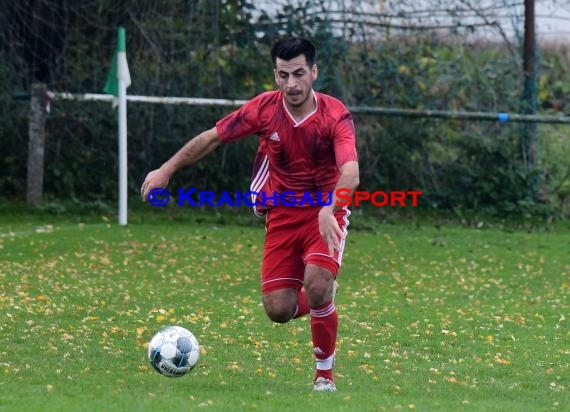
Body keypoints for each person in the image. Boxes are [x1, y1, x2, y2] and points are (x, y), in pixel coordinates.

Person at [140, 37, 359, 392]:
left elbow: (351, 171)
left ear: (314, 72)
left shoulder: (334, 114)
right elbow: (212, 138)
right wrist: (167, 169)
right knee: (278, 309)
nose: (292, 83)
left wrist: (331, 207)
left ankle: (324, 376)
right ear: (275, 75)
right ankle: (322, 296)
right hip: (281, 214)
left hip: (324, 212)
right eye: (283, 75)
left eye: (299, 73)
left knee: (317, 285)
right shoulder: (264, 109)